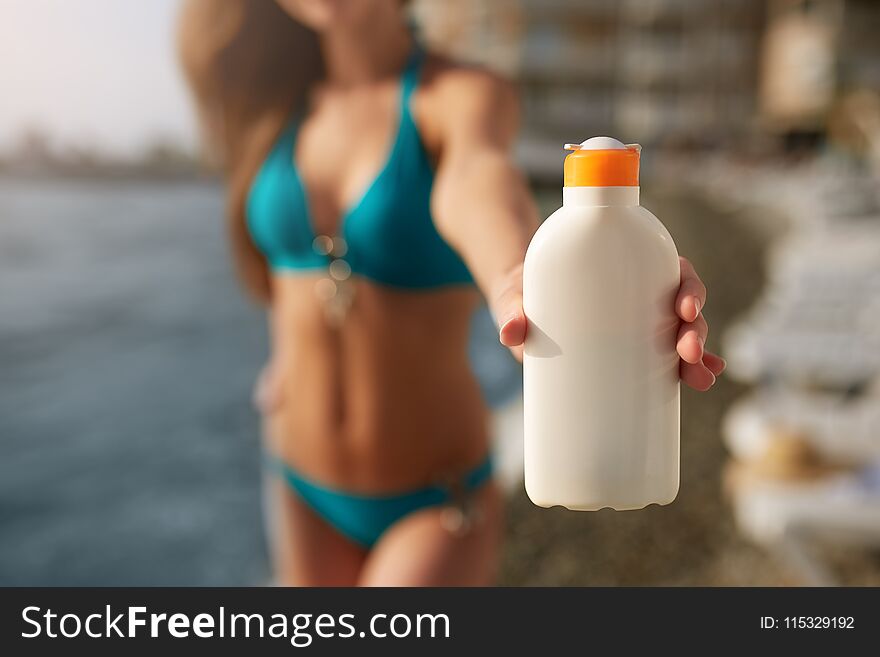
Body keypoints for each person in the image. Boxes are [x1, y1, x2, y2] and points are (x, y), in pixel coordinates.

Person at [179, 0, 725, 586]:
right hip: (297, 476)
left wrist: (522, 280)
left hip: (436, 498)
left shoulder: (461, 95)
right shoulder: (271, 105)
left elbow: (478, 181)